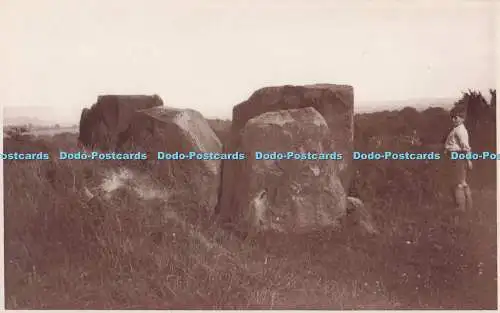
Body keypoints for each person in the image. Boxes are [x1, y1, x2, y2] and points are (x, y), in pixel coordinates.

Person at [443, 107, 473, 214]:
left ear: (462, 119)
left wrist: (469, 160)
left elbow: (466, 147)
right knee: (461, 181)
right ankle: (467, 206)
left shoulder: (461, 131)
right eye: (452, 118)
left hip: (458, 157)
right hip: (455, 156)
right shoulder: (457, 129)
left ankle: (460, 207)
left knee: (458, 182)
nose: (453, 120)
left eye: (456, 118)